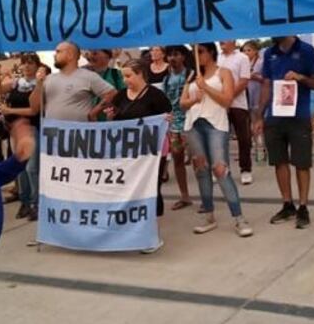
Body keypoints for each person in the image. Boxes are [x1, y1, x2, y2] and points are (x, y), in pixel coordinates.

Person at [181, 43, 253, 238]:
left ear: (211, 52)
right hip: (194, 124)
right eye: (195, 53)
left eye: (201, 52)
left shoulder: (224, 72)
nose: (199, 56)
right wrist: (194, 99)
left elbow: (227, 100)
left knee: (221, 169)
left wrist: (206, 88)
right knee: (200, 169)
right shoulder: (192, 75)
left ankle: (239, 217)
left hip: (216, 125)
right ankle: (209, 214)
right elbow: (182, 103)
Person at [252, 36, 314, 229]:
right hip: (275, 116)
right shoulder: (269, 53)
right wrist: (260, 115)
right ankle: (287, 203)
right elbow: (266, 84)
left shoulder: (306, 50)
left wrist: (301, 78)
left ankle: (303, 206)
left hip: (298, 115)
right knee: (279, 161)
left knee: (301, 163)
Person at [106, 59, 174, 252]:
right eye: (123, 76)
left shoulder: (156, 96)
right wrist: (111, 117)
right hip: (129, 152)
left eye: (128, 75)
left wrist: (166, 120)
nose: (125, 80)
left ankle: (153, 233)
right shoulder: (120, 96)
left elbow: (168, 118)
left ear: (141, 74)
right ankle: (134, 228)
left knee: (152, 188)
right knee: (132, 188)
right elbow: (117, 120)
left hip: (154, 151)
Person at [0, 54, 41, 220]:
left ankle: (36, 203)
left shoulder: (40, 84)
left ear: (37, 66)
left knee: (32, 168)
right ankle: (24, 201)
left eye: (30, 63)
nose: (27, 67)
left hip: (32, 127)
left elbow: (33, 110)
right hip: (17, 129)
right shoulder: (17, 83)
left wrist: (10, 111)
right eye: (24, 64)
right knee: (20, 168)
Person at [34, 41, 116, 122]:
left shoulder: (88, 76)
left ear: (70, 55)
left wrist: (94, 112)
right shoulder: (48, 79)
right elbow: (35, 107)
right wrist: (38, 84)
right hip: (53, 133)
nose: (54, 55)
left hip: (78, 132)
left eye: (58, 52)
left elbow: (112, 94)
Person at [162, 45, 194, 210]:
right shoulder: (166, 79)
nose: (172, 58)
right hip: (175, 126)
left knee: (197, 160)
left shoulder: (190, 75)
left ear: (183, 56)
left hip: (192, 122)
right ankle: (184, 196)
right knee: (177, 159)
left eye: (176, 55)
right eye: (169, 55)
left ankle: (205, 196)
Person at [218, 40, 253, 185]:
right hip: (219, 104)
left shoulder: (242, 58)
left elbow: (244, 81)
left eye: (224, 39)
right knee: (220, 138)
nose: (221, 42)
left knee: (243, 138)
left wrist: (229, 97)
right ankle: (222, 168)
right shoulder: (217, 57)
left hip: (238, 104)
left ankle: (246, 169)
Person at [242, 41, 266, 162]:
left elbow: (266, 80)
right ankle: (258, 148)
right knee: (253, 124)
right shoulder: (243, 63)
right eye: (244, 51)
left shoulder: (261, 63)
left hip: (260, 96)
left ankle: (265, 147)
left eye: (249, 50)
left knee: (262, 123)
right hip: (249, 97)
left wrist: (255, 76)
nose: (246, 53)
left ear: (256, 51)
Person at [86, 49, 124, 120]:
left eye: (95, 53)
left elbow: (123, 95)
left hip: (108, 121)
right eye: (89, 54)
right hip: (85, 122)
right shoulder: (83, 74)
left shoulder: (116, 74)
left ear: (107, 57)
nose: (90, 56)